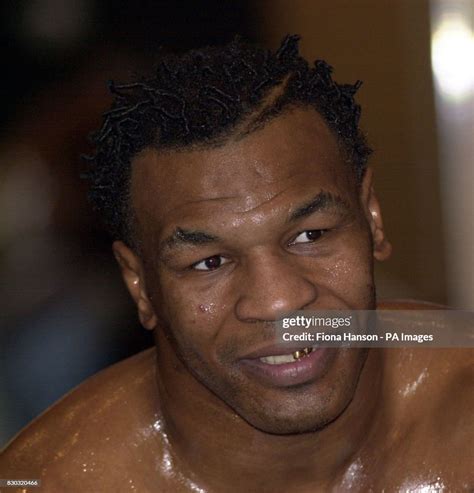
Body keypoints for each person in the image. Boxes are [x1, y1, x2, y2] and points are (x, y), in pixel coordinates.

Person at [1, 35, 472, 492]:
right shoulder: (49, 481)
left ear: (372, 217)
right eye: (210, 262)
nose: (277, 301)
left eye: (310, 236)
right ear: (139, 284)